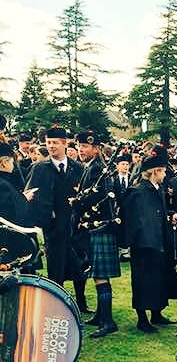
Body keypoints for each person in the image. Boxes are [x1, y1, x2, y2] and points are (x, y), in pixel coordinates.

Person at [124, 146, 177, 333]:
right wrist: (137, 240)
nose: (165, 174)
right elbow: (131, 218)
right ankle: (142, 318)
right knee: (143, 281)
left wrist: (171, 214)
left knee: (158, 280)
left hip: (160, 242)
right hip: (144, 245)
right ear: (155, 172)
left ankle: (157, 313)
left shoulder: (158, 189)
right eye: (162, 171)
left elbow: (159, 211)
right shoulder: (136, 191)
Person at [23, 126, 86, 298]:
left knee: (78, 265)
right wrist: (45, 216)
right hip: (53, 227)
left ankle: (81, 301)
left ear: (64, 144)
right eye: (48, 143)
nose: (51, 146)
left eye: (55, 143)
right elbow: (30, 195)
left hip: (75, 227)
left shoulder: (78, 168)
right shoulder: (39, 168)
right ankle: (56, 302)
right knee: (56, 267)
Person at [74, 130, 121, 337]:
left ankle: (108, 321)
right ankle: (101, 316)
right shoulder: (93, 167)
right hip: (95, 226)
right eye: (79, 146)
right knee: (97, 274)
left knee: (101, 276)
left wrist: (76, 201)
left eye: (84, 147)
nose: (80, 150)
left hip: (99, 226)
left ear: (95, 148)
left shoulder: (97, 169)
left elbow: (96, 198)